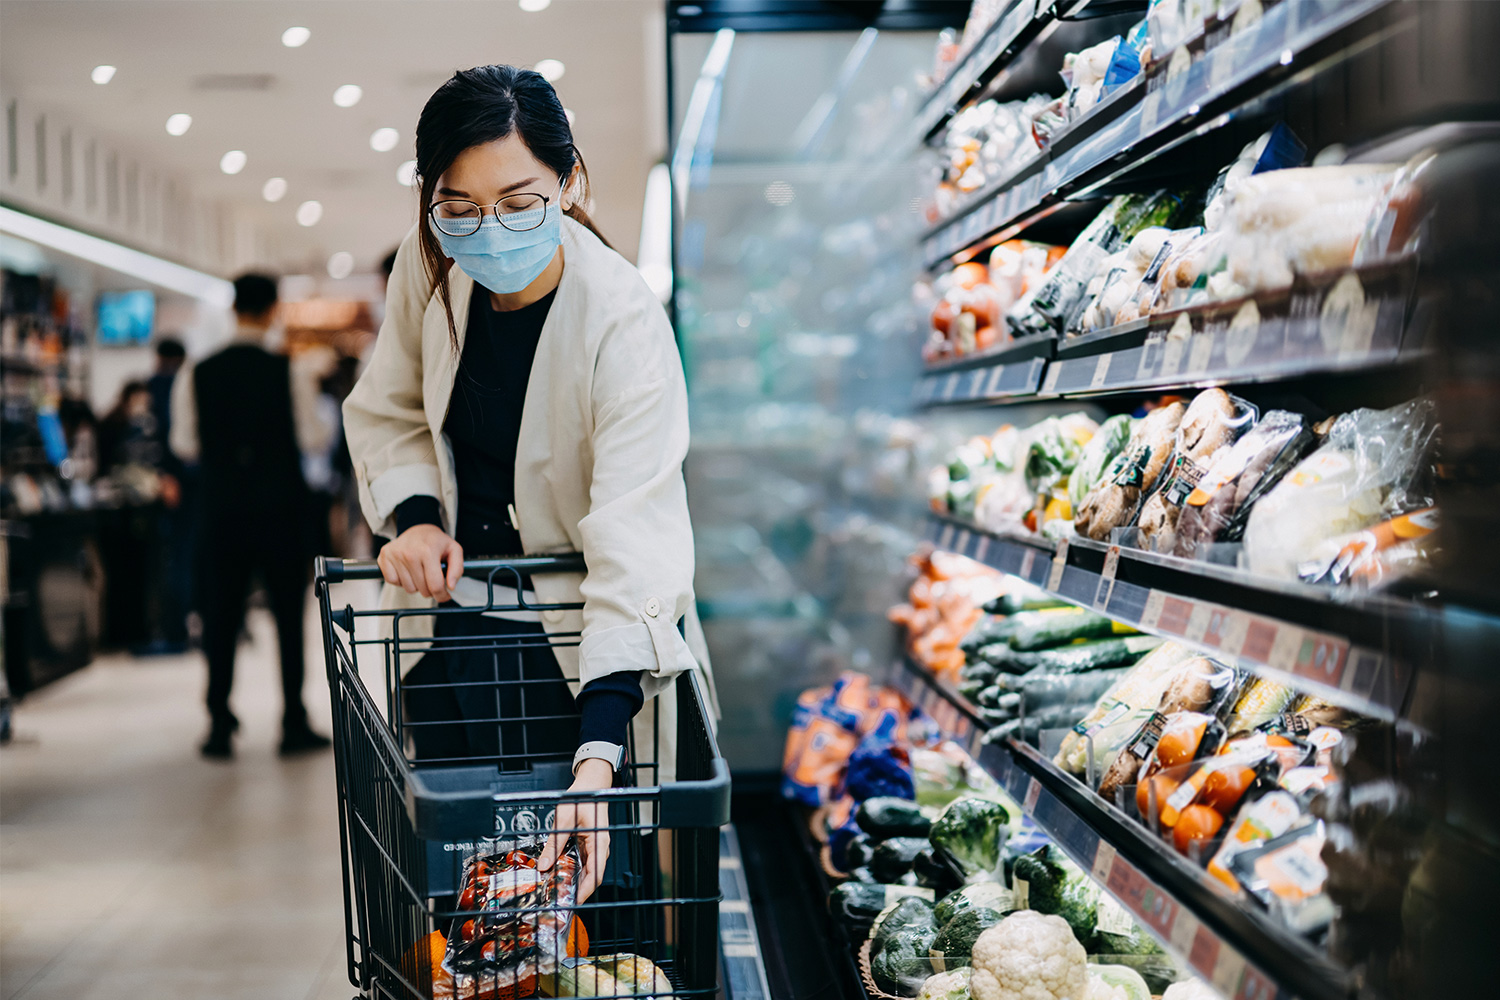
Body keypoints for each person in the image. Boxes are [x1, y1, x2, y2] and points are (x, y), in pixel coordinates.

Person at [342, 65, 715, 904]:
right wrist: (416, 518)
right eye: (459, 206)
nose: (489, 230)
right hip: (449, 634)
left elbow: (635, 539)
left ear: (569, 180)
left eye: (518, 202)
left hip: (579, 657)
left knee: (586, 908)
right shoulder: (429, 266)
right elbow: (390, 404)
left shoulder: (621, 320)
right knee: (465, 898)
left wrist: (597, 757)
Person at [171, 273, 334, 758]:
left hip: (221, 510)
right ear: (271, 311)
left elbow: (185, 444)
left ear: (234, 309)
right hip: (281, 510)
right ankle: (293, 720)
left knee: (221, 614)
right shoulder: (289, 369)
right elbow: (313, 438)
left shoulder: (198, 371)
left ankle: (219, 723)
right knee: (288, 617)